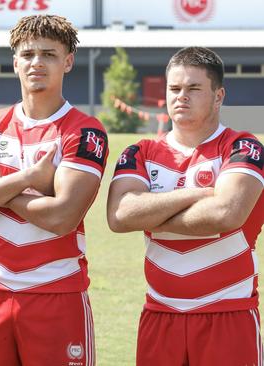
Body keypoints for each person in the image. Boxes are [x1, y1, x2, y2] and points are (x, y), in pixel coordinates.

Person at [0, 15, 108, 366]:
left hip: (57, 291)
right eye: (29, 54)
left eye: (49, 54)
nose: (37, 62)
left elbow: (63, 216)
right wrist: (27, 179)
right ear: (15, 61)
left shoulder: (83, 130)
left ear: (68, 61)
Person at [107, 46, 264, 365]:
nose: (182, 96)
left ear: (219, 95)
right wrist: (197, 194)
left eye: (194, 88)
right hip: (160, 314)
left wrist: (150, 213)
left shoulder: (243, 146)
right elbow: (120, 215)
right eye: (174, 89)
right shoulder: (140, 151)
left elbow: (225, 214)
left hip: (228, 313)